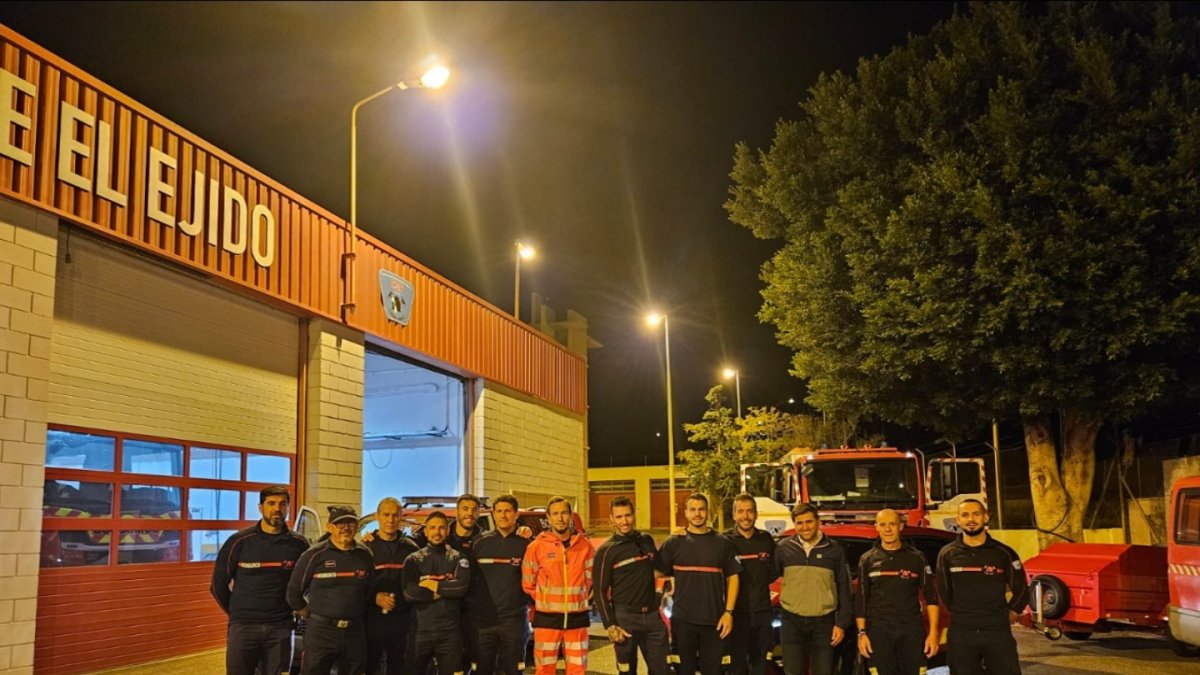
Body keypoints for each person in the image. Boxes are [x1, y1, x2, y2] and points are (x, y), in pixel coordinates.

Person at [210, 485, 310, 675]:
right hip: (244, 628)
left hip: (280, 627)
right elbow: (217, 585)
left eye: (282, 504)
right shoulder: (239, 542)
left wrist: (296, 606)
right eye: (271, 503)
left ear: (288, 507)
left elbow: (306, 581)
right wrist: (237, 613)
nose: (277, 509)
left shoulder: (299, 544)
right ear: (260, 507)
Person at [936, 499, 1028, 675]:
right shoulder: (947, 554)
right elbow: (945, 591)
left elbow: (1022, 588)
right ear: (958, 520)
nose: (971, 519)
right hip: (962, 632)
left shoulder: (1004, 553)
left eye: (976, 514)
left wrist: (1011, 612)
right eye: (965, 515)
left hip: (997, 631)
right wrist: (964, 613)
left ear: (985, 518)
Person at [287, 505, 375, 675]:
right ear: (330, 527)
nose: (346, 528)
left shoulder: (365, 555)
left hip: (354, 632)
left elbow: (368, 591)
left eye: (350, 523)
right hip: (321, 632)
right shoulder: (314, 554)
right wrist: (311, 615)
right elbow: (293, 593)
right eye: (340, 524)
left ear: (356, 526)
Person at [659, 493, 741, 675]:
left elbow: (733, 577)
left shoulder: (722, 543)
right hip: (683, 622)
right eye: (693, 510)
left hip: (714, 622)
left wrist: (728, 613)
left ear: (707, 513)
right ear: (686, 513)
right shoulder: (674, 542)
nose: (697, 514)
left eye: (701, 509)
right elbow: (654, 571)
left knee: (713, 671)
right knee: (685, 670)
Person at [855, 509, 939, 675]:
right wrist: (861, 633)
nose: (888, 529)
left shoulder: (917, 558)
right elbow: (861, 599)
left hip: (911, 630)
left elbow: (931, 597)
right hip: (878, 631)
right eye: (883, 525)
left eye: (892, 524)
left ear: (900, 526)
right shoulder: (867, 559)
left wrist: (933, 633)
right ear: (876, 527)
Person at [593, 495, 669, 675]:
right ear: (611, 519)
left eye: (628, 515)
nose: (624, 521)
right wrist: (611, 625)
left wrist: (680, 537)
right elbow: (599, 590)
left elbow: (660, 569)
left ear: (634, 515)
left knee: (662, 671)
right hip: (624, 620)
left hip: (652, 618)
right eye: (619, 517)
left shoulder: (646, 540)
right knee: (627, 671)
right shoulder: (606, 551)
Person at [774, 503, 852, 675]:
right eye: (799, 523)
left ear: (818, 521)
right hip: (791, 621)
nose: (805, 527)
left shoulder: (834, 550)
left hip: (823, 623)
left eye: (809, 522)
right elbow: (776, 575)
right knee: (792, 671)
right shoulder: (783, 548)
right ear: (794, 524)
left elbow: (844, 587)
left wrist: (841, 624)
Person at [522, 496, 595, 675]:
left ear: (570, 516)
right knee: (545, 669)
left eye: (564, 513)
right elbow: (528, 583)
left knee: (578, 669)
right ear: (548, 517)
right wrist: (545, 600)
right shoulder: (536, 547)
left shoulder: (585, 547)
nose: (560, 518)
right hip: (546, 618)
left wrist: (576, 600)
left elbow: (590, 580)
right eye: (555, 514)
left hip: (577, 618)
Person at [469, 494, 533, 675]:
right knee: (481, 670)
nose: (503, 515)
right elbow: (470, 580)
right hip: (484, 621)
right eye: (499, 511)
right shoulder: (480, 543)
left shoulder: (526, 545)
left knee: (513, 670)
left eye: (508, 511)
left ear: (516, 514)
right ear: (493, 514)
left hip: (514, 621)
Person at [405, 510, 472, 675]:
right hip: (421, 633)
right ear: (426, 531)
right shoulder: (413, 560)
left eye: (441, 528)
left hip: (450, 633)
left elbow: (461, 588)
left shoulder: (458, 558)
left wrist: (431, 585)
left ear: (447, 531)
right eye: (432, 528)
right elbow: (410, 593)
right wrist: (442, 590)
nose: (437, 532)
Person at [723, 494, 778, 675]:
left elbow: (774, 572)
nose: (745, 516)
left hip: (762, 612)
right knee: (736, 665)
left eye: (749, 511)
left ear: (756, 514)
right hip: (736, 615)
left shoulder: (766, 539)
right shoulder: (724, 541)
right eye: (741, 511)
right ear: (733, 515)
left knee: (760, 664)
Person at [364, 497, 420, 675]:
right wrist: (375, 597)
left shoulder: (411, 549)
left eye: (395, 515)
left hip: (402, 621)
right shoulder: (366, 547)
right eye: (386, 515)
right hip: (372, 619)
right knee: (370, 666)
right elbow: (356, 584)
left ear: (401, 517)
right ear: (377, 517)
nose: (390, 520)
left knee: (399, 668)